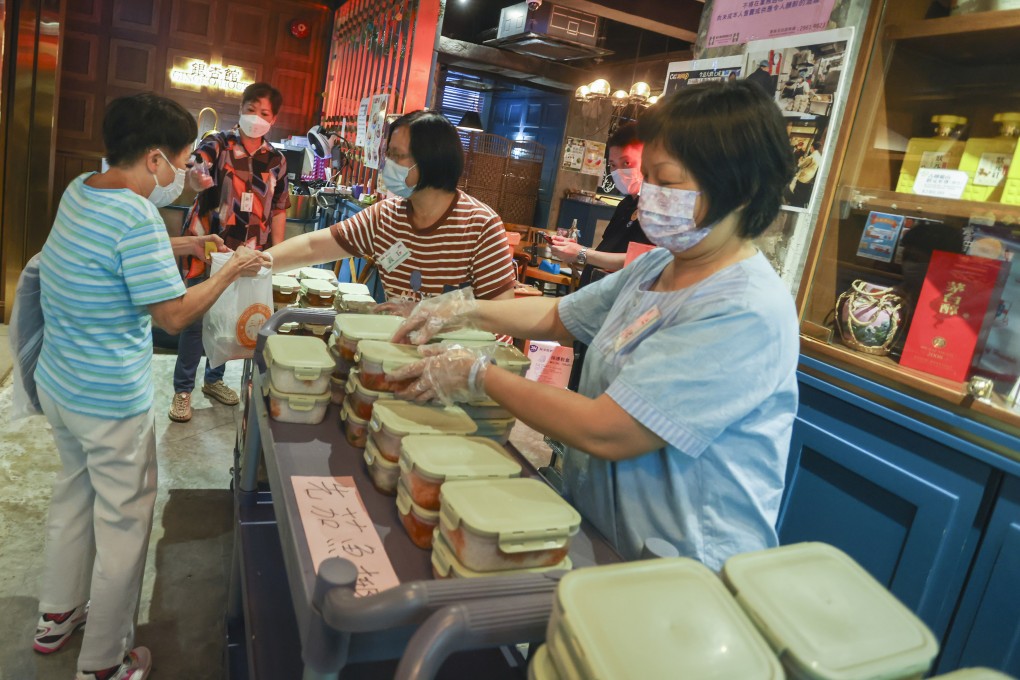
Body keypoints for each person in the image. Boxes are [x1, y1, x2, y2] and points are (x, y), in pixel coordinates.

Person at [387, 80, 800, 571]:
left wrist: (479, 374)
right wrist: (460, 309)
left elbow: (608, 430)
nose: (648, 195)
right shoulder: (658, 265)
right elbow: (558, 316)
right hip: (604, 534)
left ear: (740, 186)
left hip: (682, 566)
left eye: (666, 182)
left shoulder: (743, 309)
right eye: (646, 177)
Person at [32, 92, 266, 680]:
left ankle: (56, 614)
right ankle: (106, 662)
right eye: (185, 162)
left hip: (62, 384)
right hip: (110, 401)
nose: (188, 176)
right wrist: (233, 269)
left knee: (73, 497)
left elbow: (113, 259)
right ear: (157, 158)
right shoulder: (137, 216)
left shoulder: (83, 188)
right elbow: (173, 315)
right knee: (124, 527)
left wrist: (187, 245)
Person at [264, 110, 516, 301]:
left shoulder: (481, 225)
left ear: (431, 161)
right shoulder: (386, 216)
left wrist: (442, 319)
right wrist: (258, 264)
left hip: (465, 364)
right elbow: (311, 247)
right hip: (401, 355)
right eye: (388, 154)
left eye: (397, 155)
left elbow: (501, 313)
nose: (387, 163)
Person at [169, 81, 290, 423]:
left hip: (247, 251)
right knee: (195, 317)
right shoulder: (218, 143)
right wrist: (197, 179)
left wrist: (277, 253)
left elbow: (279, 206)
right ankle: (182, 390)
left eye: (264, 113)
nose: (256, 117)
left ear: (273, 118)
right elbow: (194, 169)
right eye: (250, 109)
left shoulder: (276, 159)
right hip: (206, 244)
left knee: (229, 318)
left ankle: (214, 380)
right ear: (240, 110)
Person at [547, 121, 652, 389]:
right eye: (614, 166)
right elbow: (608, 251)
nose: (619, 172)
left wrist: (582, 254)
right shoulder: (627, 203)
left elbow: (640, 260)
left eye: (627, 162)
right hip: (598, 304)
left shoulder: (658, 210)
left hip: (622, 315)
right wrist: (579, 252)